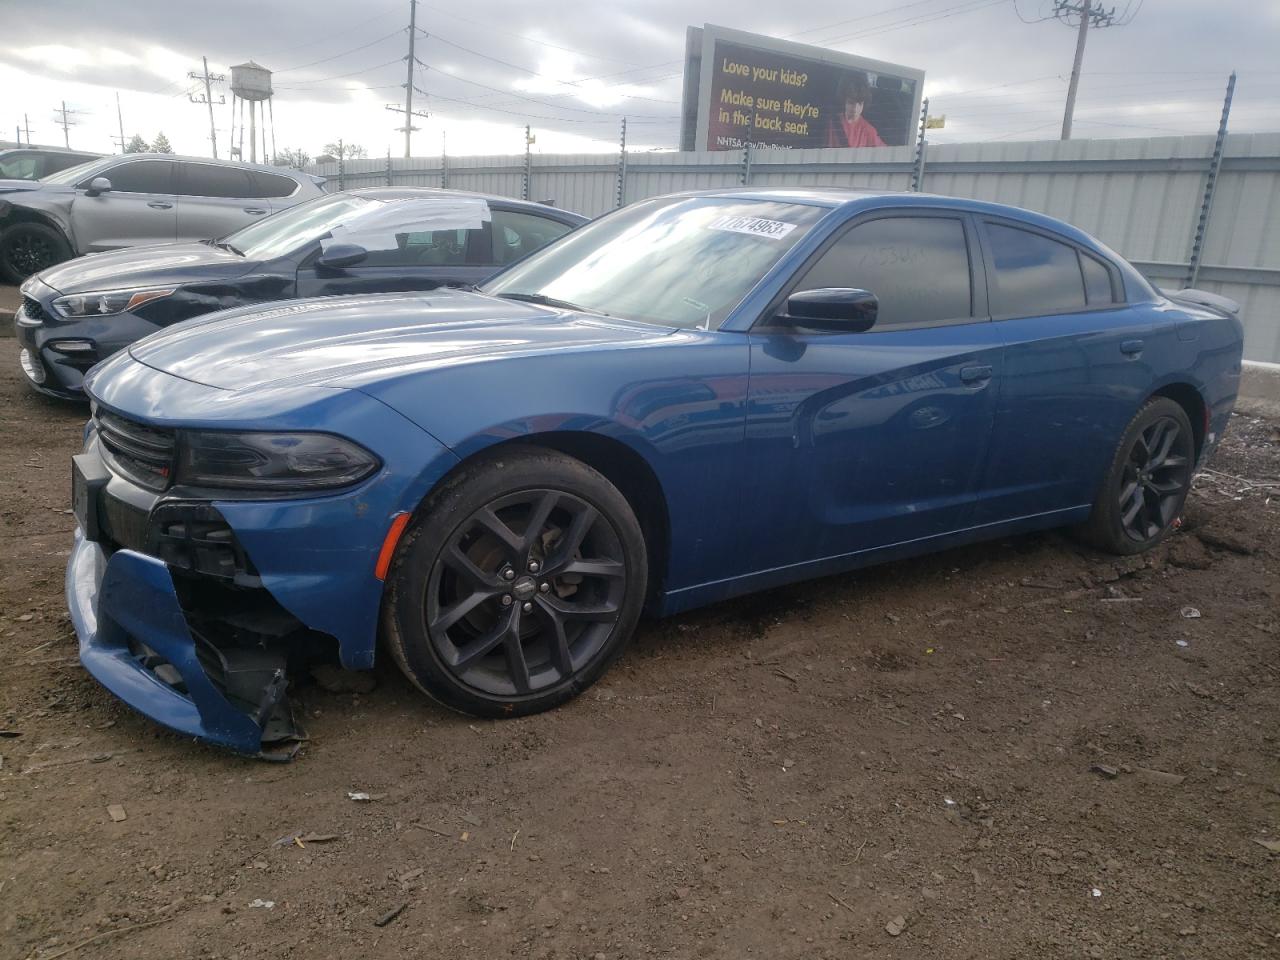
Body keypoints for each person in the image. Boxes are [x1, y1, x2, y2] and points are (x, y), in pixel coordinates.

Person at [825, 72, 886, 148]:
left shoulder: (869, 131)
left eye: (860, 103)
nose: (855, 109)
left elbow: (884, 154)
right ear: (844, 100)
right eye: (851, 103)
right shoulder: (831, 122)